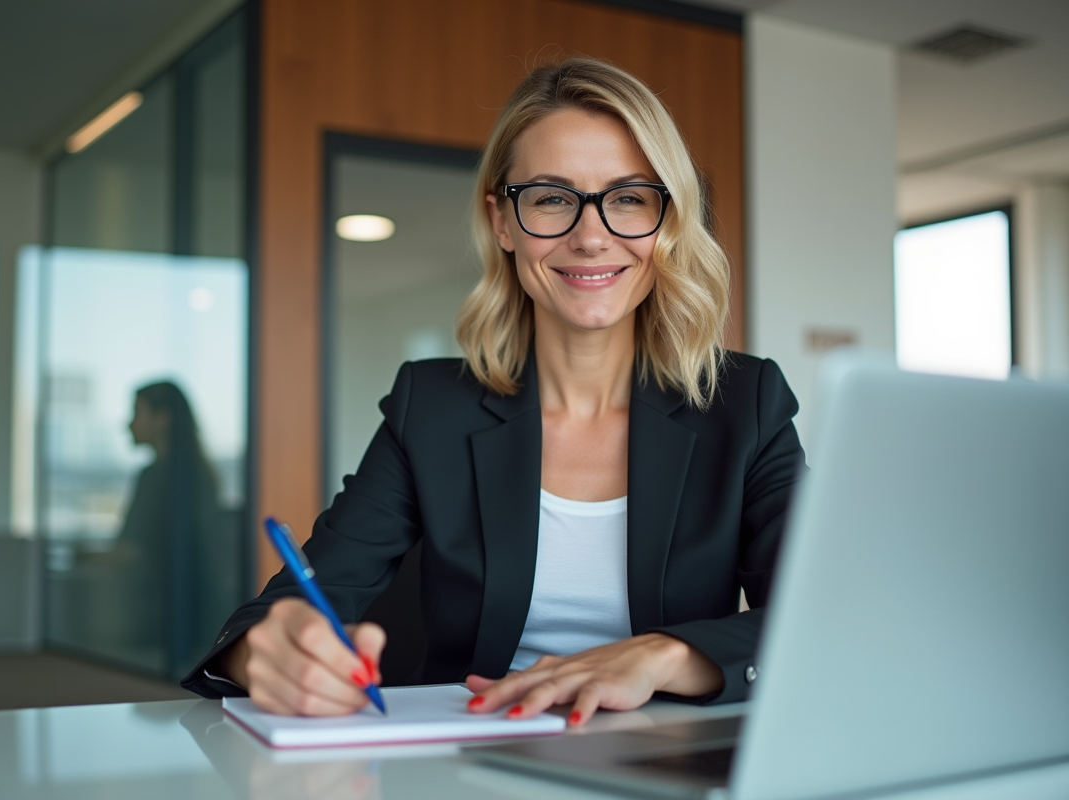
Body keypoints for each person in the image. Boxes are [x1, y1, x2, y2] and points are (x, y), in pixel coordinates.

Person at [182, 58, 805, 727]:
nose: (591, 236)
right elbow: (293, 606)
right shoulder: (431, 408)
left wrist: (664, 656)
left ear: (668, 223)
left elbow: (820, 613)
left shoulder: (748, 403)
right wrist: (267, 654)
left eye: (629, 198)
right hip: (476, 749)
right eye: (550, 198)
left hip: (669, 753)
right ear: (503, 223)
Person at [116, 380, 222, 672]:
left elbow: (130, 552)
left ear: (163, 419)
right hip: (201, 621)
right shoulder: (203, 475)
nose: (129, 424)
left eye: (137, 413)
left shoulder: (154, 478)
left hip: (156, 625)